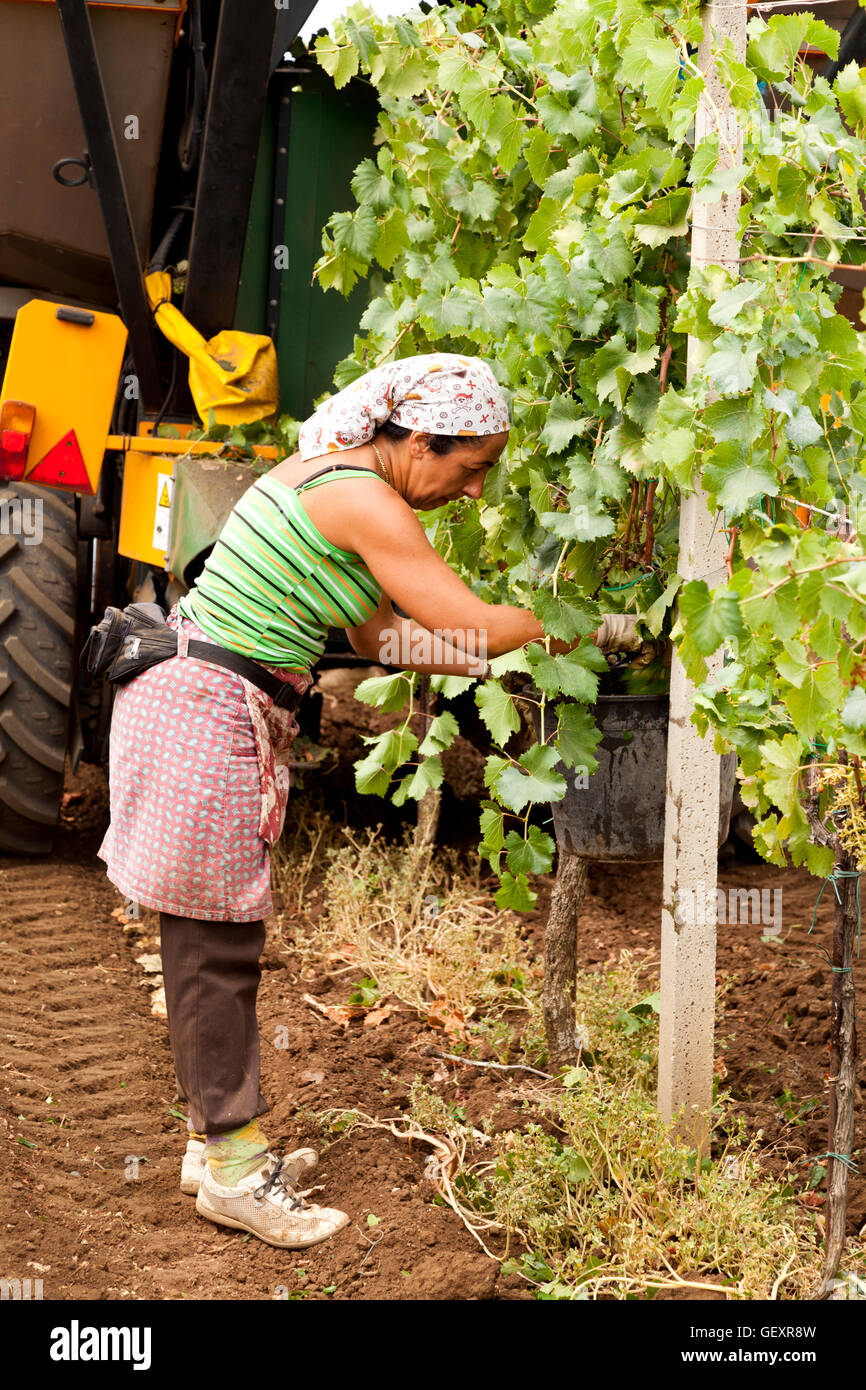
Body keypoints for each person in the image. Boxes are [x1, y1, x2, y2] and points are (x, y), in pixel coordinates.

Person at [98, 352, 637, 1249]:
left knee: (212, 937)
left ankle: (211, 1145)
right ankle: (234, 1170)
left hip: (200, 700)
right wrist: (577, 625)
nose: (471, 494)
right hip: (201, 710)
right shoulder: (365, 501)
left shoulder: (336, 484)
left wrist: (488, 654)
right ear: (420, 440)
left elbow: (388, 635)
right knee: (214, 947)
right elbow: (469, 612)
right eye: (469, 470)